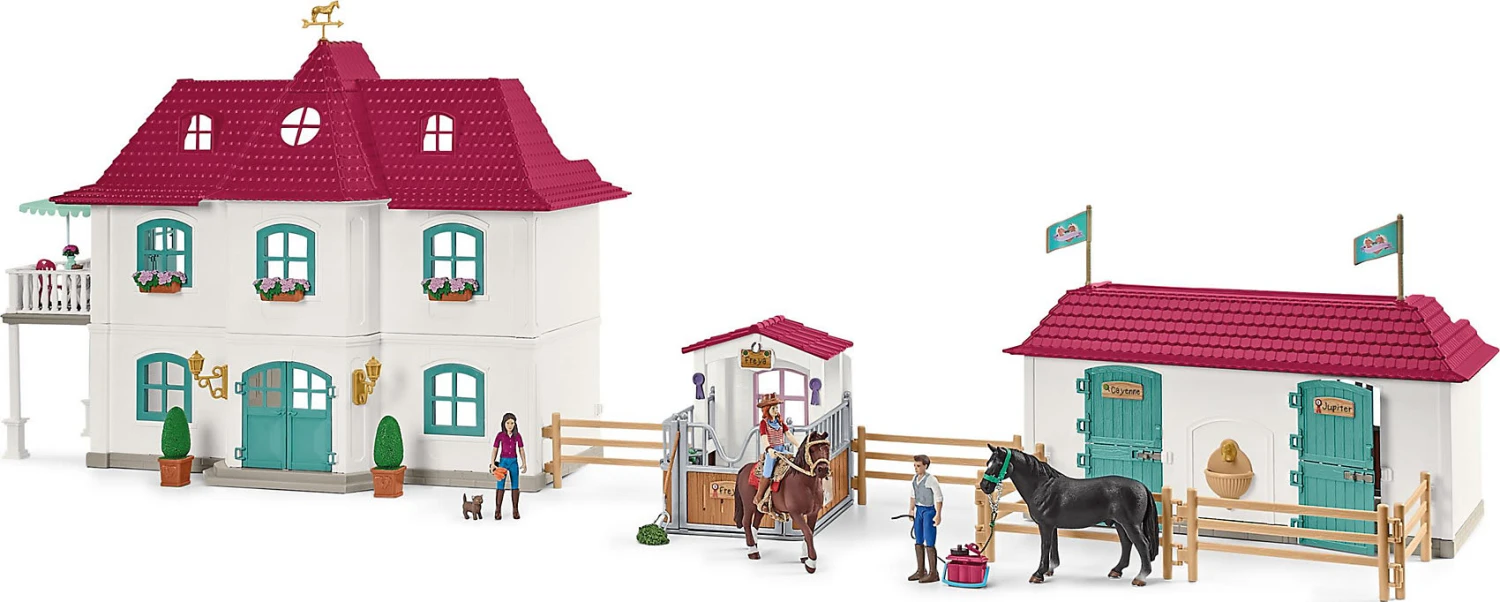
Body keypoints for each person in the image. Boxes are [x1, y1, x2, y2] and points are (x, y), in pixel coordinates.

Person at [753, 393, 796, 512]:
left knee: (794, 462)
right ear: (767, 410)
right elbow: (764, 438)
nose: (776, 410)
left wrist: (798, 444)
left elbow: (788, 434)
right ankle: (759, 496)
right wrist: (769, 449)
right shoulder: (764, 423)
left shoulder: (780, 422)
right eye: (773, 408)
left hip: (782, 449)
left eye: (777, 407)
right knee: (767, 472)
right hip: (772, 451)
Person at [907, 454, 943, 583]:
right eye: (915, 466)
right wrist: (911, 509)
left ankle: (934, 572)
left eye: (918, 466)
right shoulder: (914, 479)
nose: (916, 468)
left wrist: (938, 514)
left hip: (929, 511)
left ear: (925, 466)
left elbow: (938, 497)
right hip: (919, 511)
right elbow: (913, 495)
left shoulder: (931, 480)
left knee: (929, 539)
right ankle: (921, 570)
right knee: (919, 538)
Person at [489, 413, 527, 520]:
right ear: (504, 424)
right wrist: (492, 463)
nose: (510, 425)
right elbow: (495, 449)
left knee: (515, 485)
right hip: (503, 462)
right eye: (508, 423)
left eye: (512, 423)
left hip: (513, 462)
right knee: (500, 485)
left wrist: (524, 462)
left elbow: (521, 449)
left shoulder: (517, 436)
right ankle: (498, 510)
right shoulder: (500, 435)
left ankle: (515, 509)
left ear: (515, 424)